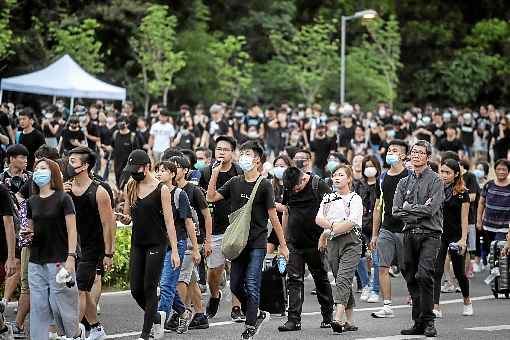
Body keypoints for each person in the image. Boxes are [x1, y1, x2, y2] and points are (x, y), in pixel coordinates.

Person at [206, 141, 289, 340]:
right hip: (238, 242)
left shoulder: (264, 185)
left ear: (257, 160)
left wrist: (283, 245)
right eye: (241, 153)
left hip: (256, 243)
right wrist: (215, 173)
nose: (243, 157)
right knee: (235, 285)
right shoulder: (235, 182)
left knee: (252, 283)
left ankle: (250, 325)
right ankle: (257, 312)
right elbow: (211, 197)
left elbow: (273, 217)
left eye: (248, 154)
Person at [117, 150, 180, 340]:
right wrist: (123, 217)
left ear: (146, 167)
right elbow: (128, 217)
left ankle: (146, 334)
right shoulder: (131, 185)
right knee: (136, 289)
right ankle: (155, 317)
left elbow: (170, 222)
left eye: (136, 169)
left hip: (157, 243)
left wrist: (175, 251)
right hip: (138, 242)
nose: (133, 173)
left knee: (149, 287)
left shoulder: (162, 189)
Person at [27, 158, 84, 339]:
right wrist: (27, 235)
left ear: (52, 172)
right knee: (38, 306)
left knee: (62, 304)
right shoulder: (31, 201)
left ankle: (74, 334)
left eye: (43, 168)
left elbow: (72, 230)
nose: (38, 172)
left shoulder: (63, 198)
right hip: (36, 260)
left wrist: (71, 257)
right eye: (36, 168)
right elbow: (29, 229)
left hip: (60, 260)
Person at [393, 140, 444, 337]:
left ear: (428, 157)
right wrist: (415, 210)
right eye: (413, 152)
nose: (416, 155)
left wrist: (409, 208)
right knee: (410, 276)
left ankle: (430, 322)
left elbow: (431, 210)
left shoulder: (436, 180)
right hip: (408, 234)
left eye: (420, 153)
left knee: (424, 275)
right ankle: (418, 322)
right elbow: (395, 211)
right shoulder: (404, 181)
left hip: (430, 234)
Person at [65, 146, 115, 339]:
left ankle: (74, 334)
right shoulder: (66, 188)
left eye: (73, 162)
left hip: (92, 249)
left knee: (79, 289)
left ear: (85, 166)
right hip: (72, 247)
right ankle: (96, 328)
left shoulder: (99, 192)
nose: (69, 165)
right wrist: (62, 192)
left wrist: (109, 254)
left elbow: (108, 225)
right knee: (82, 291)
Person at [278, 166, 334, 332]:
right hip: (294, 243)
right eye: (291, 189)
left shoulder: (319, 185)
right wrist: (284, 241)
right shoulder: (289, 187)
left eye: (297, 187)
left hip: (316, 242)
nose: (294, 191)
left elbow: (331, 211)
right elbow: (286, 212)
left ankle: (328, 315)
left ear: (303, 179)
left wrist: (326, 236)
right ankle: (293, 320)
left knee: (320, 278)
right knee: (293, 280)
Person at [164, 155, 212, 332]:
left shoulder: (194, 190)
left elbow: (206, 216)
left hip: (190, 241)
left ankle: (178, 314)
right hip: (177, 240)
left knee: (180, 280)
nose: (172, 170)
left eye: (176, 167)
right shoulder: (168, 191)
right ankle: (200, 315)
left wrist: (206, 241)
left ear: (185, 171)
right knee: (191, 280)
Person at [199, 135, 244, 321]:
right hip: (215, 227)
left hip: (236, 227)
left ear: (233, 153)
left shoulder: (240, 172)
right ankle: (215, 295)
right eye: (219, 149)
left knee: (236, 269)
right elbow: (204, 200)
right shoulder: (207, 172)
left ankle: (236, 307)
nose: (222, 153)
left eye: (226, 150)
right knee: (214, 271)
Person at [154, 161, 200, 334]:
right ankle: (183, 312)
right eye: (157, 171)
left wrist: (195, 248)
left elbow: (188, 222)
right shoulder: (154, 193)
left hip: (177, 244)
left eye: (163, 171)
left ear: (173, 174)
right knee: (164, 285)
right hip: (157, 244)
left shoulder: (179, 194)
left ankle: (159, 324)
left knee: (166, 285)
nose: (159, 174)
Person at [316, 164, 362, 333]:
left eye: (341, 175)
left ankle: (338, 318)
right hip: (333, 242)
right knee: (340, 277)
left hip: (351, 242)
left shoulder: (355, 198)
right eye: (334, 175)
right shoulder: (328, 197)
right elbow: (319, 219)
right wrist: (330, 230)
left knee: (342, 279)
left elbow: (351, 223)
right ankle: (350, 321)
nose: (336, 178)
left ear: (349, 178)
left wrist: (330, 229)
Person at [371, 140, 410, 317]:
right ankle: (387, 306)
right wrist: (374, 234)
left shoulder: (410, 176)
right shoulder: (383, 177)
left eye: (394, 151)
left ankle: (415, 299)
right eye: (388, 150)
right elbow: (378, 206)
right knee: (382, 267)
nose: (390, 153)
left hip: (406, 229)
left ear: (403, 155)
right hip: (386, 228)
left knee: (408, 267)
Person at [433, 159, 473, 318]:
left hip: (457, 235)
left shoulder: (463, 193)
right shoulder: (436, 188)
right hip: (440, 234)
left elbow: (465, 219)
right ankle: (436, 306)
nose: (443, 175)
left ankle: (467, 300)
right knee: (436, 270)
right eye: (442, 171)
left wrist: (463, 239)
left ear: (456, 174)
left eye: (447, 172)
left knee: (459, 271)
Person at [356, 155, 381, 303]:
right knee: (359, 256)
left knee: (376, 259)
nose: (369, 169)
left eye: (371, 165)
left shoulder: (381, 183)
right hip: (361, 225)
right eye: (366, 166)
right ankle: (365, 285)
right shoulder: (359, 184)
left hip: (377, 226)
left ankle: (375, 289)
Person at [476, 159, 510, 256]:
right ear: (495, 170)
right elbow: (481, 203)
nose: (501, 172)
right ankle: (492, 268)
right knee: (490, 249)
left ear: (508, 171)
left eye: (504, 169)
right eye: (498, 169)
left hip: (504, 227)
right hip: (488, 226)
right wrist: (479, 220)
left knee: (499, 249)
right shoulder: (489, 185)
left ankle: (498, 270)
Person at [0, 182, 17, 339]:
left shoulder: (1, 190)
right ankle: (3, 329)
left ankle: (4, 330)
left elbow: (9, 224)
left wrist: (11, 258)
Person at [267, 155, 292, 254]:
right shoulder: (270, 184)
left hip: (288, 226)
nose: (278, 169)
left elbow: (287, 208)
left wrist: (273, 204)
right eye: (276, 166)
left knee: (285, 256)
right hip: (273, 225)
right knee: (267, 253)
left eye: (282, 166)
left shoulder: (293, 185)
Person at [112, 117, 140, 189]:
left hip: (128, 165)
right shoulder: (115, 134)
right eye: (118, 122)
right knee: (118, 183)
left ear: (127, 124)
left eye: (122, 122)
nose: (120, 124)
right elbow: (112, 146)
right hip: (117, 164)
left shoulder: (132, 136)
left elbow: (137, 151)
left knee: (124, 184)